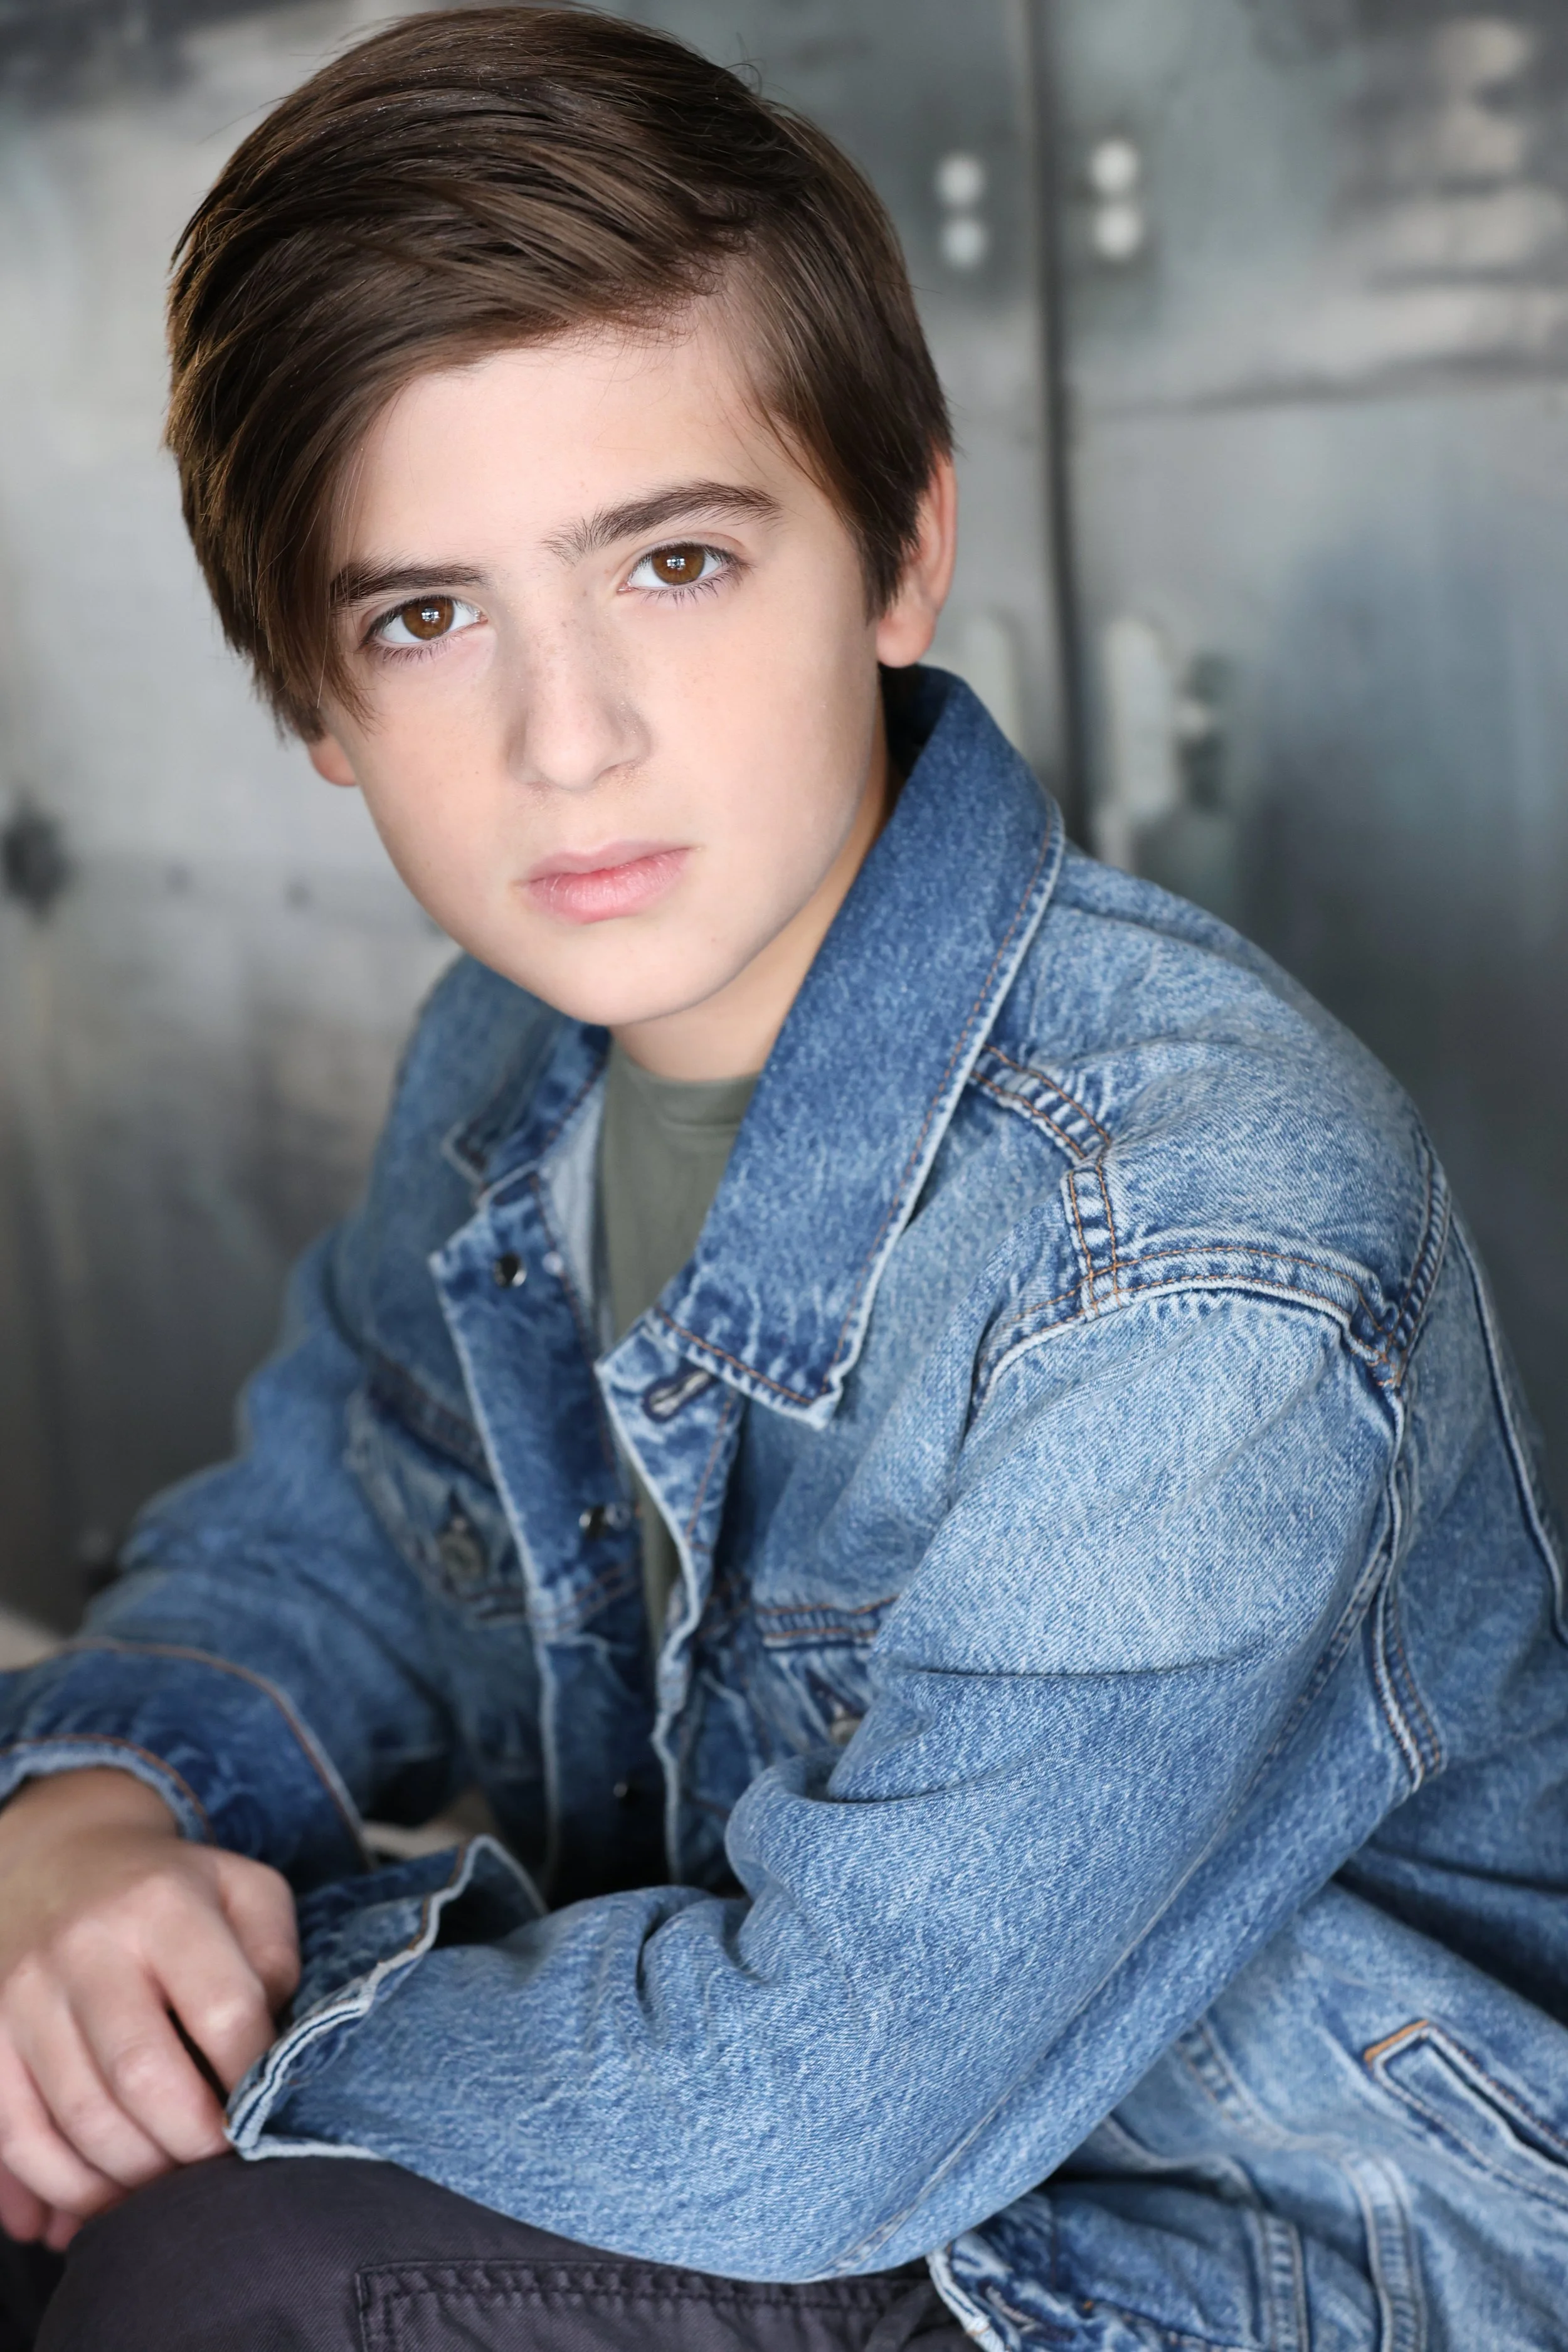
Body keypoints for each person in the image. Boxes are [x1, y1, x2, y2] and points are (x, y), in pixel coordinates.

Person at [1, 8, 1566, 2347]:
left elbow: (817, 2111)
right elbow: (322, 1530)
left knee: (207, 2273)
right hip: (844, 2150)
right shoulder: (513, 1051)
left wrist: (230, 2027)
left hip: (1229, 2241)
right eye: (426, 616)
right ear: (314, 706)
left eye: (675, 563)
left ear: (896, 550)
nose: (568, 737)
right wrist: (93, 1817)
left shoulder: (1203, 1239)